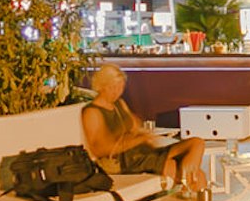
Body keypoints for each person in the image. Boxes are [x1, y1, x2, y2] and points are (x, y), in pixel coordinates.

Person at [80, 64, 208, 192]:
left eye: (120, 87)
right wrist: (138, 139)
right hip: (125, 161)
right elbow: (100, 150)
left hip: (142, 152)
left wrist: (141, 133)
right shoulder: (92, 112)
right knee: (195, 174)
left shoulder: (119, 104)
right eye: (113, 87)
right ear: (101, 86)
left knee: (197, 143)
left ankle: (188, 188)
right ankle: (192, 193)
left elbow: (134, 125)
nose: (117, 91)